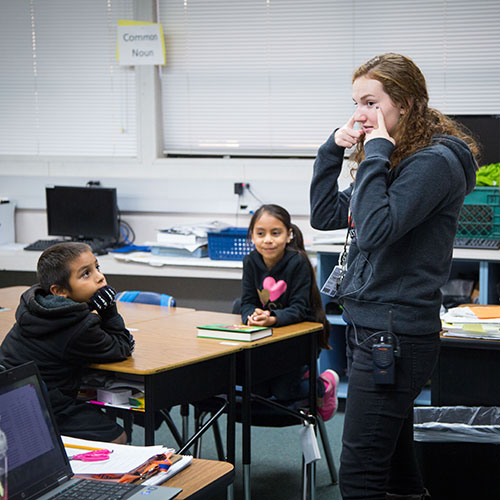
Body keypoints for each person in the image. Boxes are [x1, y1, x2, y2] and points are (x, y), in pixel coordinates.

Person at [310, 53, 479, 499]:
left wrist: (375, 153)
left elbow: (375, 228)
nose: (360, 115)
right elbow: (327, 214)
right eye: (355, 103)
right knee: (397, 472)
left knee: (361, 476)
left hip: (395, 334)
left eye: (370, 102)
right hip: (373, 326)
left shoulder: (432, 163)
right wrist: (333, 149)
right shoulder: (399, 157)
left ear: (403, 103)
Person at [0, 242, 135, 444]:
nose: (99, 277)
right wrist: (109, 310)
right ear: (59, 291)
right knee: (118, 436)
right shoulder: (79, 327)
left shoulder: (38, 307)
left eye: (96, 268)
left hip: (10, 398)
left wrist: (90, 305)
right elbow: (122, 347)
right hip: (45, 404)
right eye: (85, 274)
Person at [240, 204, 339, 421]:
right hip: (269, 338)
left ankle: (323, 385)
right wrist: (251, 315)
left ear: (288, 235)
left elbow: (300, 309)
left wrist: (272, 319)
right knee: (258, 390)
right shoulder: (250, 261)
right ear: (252, 236)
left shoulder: (298, 262)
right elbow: (246, 301)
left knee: (283, 393)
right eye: (260, 233)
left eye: (275, 233)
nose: (268, 240)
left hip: (300, 338)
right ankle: (299, 376)